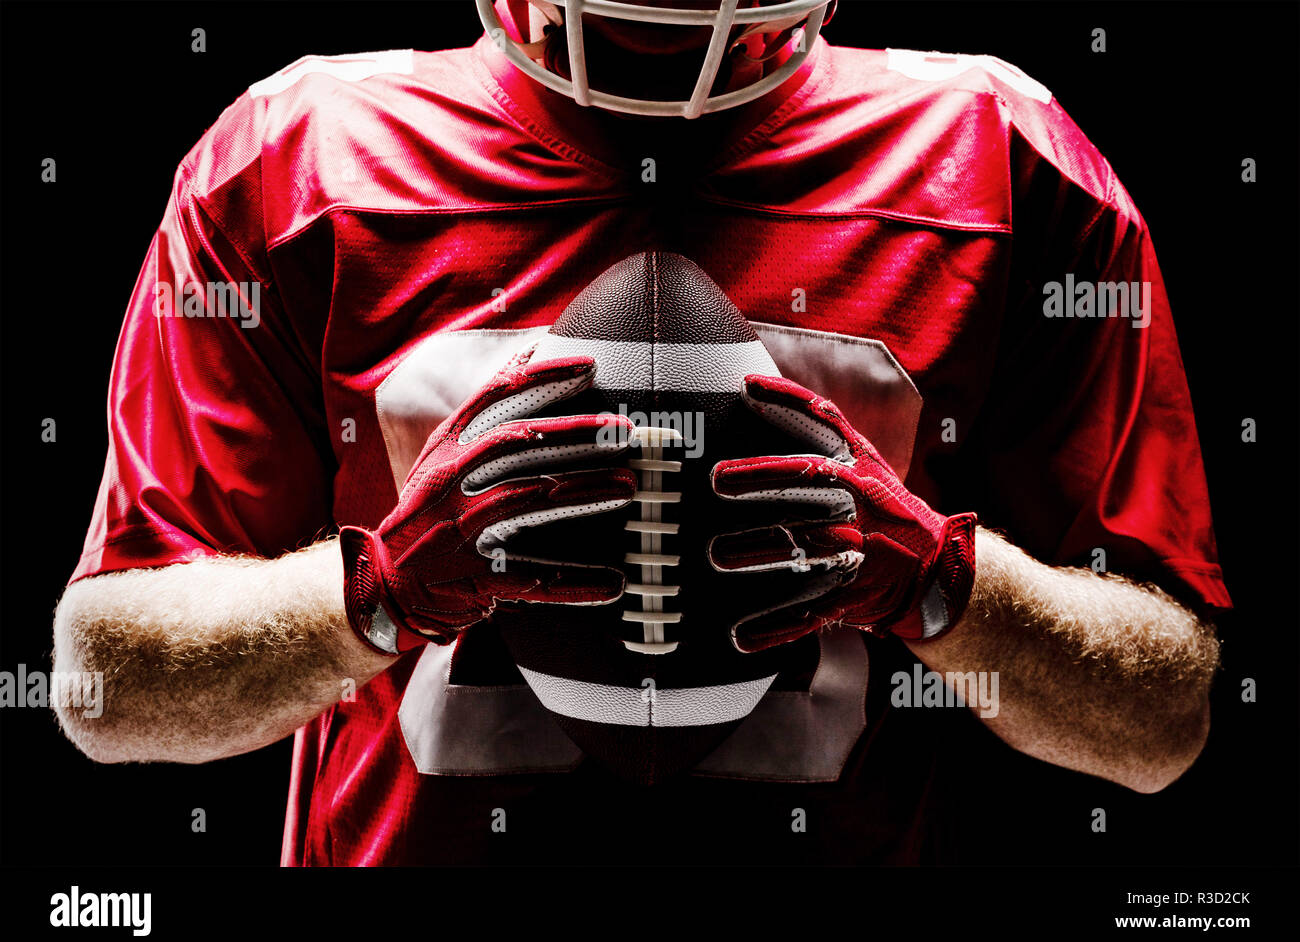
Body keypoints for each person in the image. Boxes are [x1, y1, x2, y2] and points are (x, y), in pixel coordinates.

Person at [52, 0, 1229, 865]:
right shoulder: (288, 153)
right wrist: (378, 590)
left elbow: (1162, 717)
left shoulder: (999, 156)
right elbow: (106, 679)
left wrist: (942, 580)